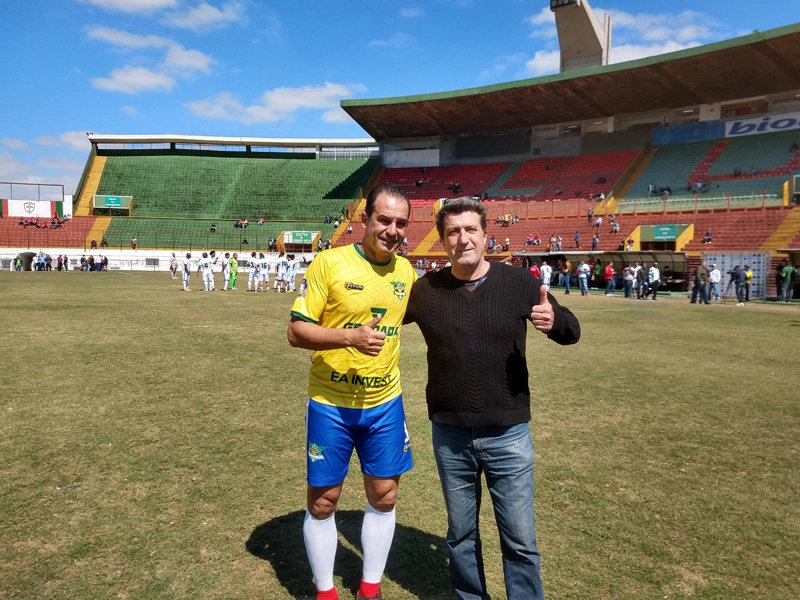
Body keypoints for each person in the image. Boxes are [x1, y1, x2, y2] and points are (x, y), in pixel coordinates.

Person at [403, 198, 580, 600]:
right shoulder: (425, 290)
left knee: (519, 540)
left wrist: (555, 323)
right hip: (450, 435)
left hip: (508, 434)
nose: (462, 238)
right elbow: (380, 313)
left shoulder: (519, 283)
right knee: (461, 535)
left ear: (486, 235)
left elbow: (572, 330)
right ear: (443, 240)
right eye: (453, 231)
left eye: (470, 230)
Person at [286, 184, 416, 600]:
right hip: (330, 406)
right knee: (324, 503)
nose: (392, 230)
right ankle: (325, 593)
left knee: (385, 495)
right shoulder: (330, 263)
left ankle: (370, 590)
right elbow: (296, 331)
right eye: (384, 220)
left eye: (400, 223)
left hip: (384, 404)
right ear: (365, 218)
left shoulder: (406, 273)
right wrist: (349, 338)